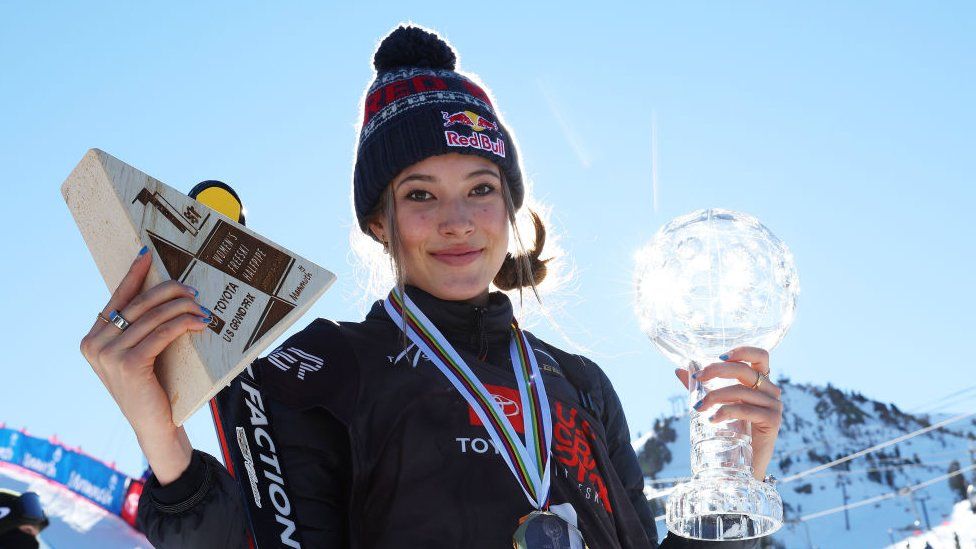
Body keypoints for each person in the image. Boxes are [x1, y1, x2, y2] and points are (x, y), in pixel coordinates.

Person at [79, 25, 784, 548]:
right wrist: (160, 432)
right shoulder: (316, 370)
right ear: (379, 223)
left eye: (481, 188)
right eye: (421, 194)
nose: (457, 221)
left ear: (511, 209)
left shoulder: (579, 384)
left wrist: (734, 490)